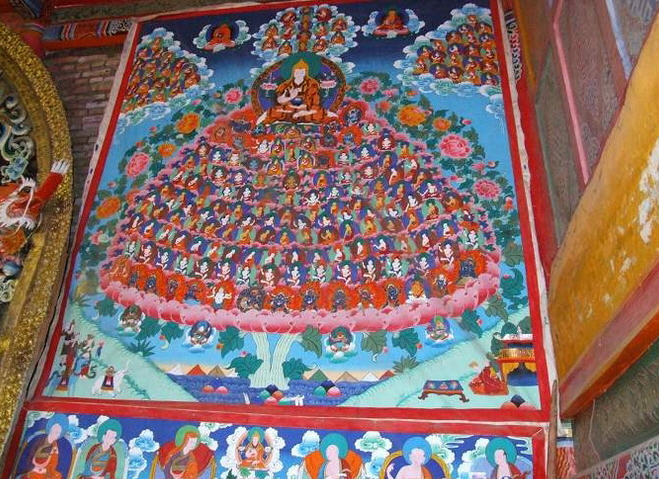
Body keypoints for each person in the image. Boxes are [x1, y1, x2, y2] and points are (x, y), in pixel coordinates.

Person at [257, 56, 336, 125]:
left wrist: (304, 108)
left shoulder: (312, 84)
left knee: (316, 111)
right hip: (289, 108)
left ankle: (304, 114)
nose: (299, 74)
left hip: (305, 109)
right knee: (276, 110)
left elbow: (315, 102)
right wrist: (290, 97)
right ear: (293, 73)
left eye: (302, 72)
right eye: (297, 71)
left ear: (305, 73)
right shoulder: (286, 85)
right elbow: (279, 101)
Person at [17, 415, 72, 479]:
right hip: (34, 470)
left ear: (60, 434)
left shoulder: (58, 447)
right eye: (54, 429)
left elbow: (57, 465)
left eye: (58, 432)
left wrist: (47, 471)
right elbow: (27, 458)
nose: (55, 433)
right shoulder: (38, 440)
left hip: (48, 472)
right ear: (50, 428)